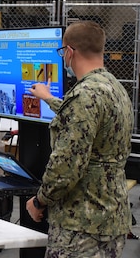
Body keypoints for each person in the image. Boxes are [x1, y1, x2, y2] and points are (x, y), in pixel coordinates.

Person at [27, 21, 132, 257]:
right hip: (112, 216)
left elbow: (65, 169)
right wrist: (49, 98)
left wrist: (39, 201)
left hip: (81, 223)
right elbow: (88, 122)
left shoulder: (83, 96)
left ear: (69, 52)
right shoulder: (115, 88)